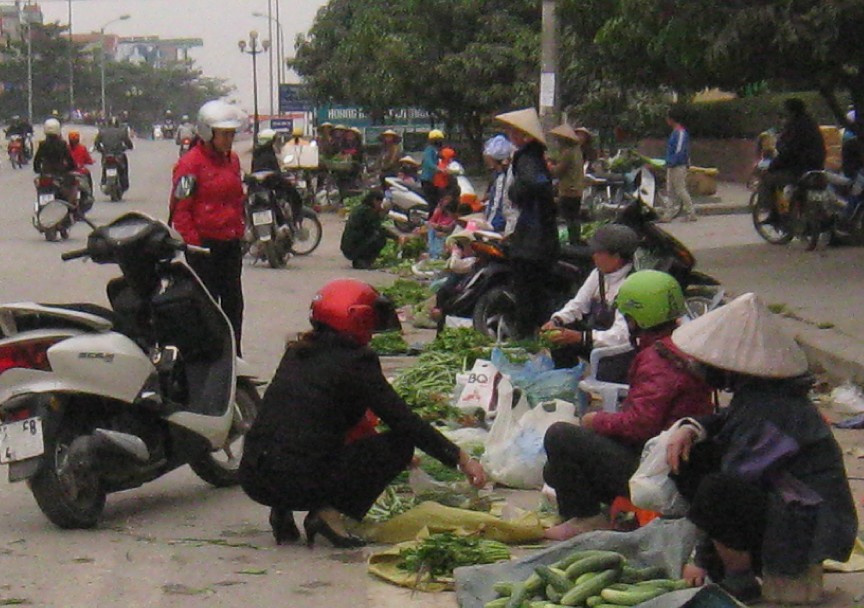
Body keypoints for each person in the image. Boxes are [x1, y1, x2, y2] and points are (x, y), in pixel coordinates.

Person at [239, 279, 487, 547]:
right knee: (400, 444)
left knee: (295, 435)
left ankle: (281, 510)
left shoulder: (298, 352)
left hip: (255, 476)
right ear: (359, 317)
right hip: (298, 481)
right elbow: (404, 421)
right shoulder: (356, 362)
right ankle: (327, 515)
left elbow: (318, 415)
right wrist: (461, 458)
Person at [666, 293, 857, 602]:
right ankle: (727, 561)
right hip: (781, 498)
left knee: (718, 488)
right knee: (695, 456)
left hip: (805, 521)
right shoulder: (756, 393)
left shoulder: (775, 411)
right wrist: (691, 427)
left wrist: (697, 557)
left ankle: (739, 579)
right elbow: (727, 421)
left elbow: (734, 479)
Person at [542, 270, 714, 541]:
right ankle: (596, 513)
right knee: (554, 470)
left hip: (663, 472)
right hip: (677, 460)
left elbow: (640, 426)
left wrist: (596, 420)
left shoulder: (659, 360)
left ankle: (586, 518)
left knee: (560, 435)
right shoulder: (682, 344)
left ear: (637, 318)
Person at [169, 100, 246, 354]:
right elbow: (181, 210)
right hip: (204, 249)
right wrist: (194, 245)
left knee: (234, 304)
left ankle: (234, 354)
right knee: (208, 307)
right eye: (224, 134)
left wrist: (240, 231)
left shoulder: (233, 161)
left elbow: (236, 200)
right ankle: (211, 357)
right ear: (207, 133)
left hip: (230, 245)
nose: (229, 140)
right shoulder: (190, 164)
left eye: (232, 134)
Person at [496, 107, 559, 339]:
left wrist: (516, 191)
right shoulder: (534, 157)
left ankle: (526, 341)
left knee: (528, 296)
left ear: (523, 135)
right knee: (537, 296)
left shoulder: (527, 158)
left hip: (532, 242)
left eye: (513, 131)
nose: (510, 135)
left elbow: (536, 185)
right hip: (540, 238)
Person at [540, 224, 638, 370]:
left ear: (616, 257)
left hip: (619, 351)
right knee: (561, 334)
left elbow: (620, 336)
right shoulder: (599, 273)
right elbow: (578, 304)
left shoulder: (632, 286)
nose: (594, 256)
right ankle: (566, 375)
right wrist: (557, 320)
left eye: (599, 252)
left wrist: (581, 337)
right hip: (596, 335)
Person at [758, 98, 826, 219]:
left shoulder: (794, 127)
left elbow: (788, 153)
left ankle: (773, 213)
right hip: (817, 167)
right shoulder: (811, 123)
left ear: (791, 111)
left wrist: (772, 167)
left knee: (767, 179)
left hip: (798, 170)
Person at [340, 190, 401, 269]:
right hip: (353, 247)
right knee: (380, 238)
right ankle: (362, 261)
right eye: (379, 202)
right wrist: (397, 237)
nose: (380, 205)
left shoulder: (361, 208)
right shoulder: (367, 211)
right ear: (374, 201)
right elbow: (378, 228)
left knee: (374, 236)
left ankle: (362, 259)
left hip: (349, 245)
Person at [548, 123, 588, 244]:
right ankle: (575, 240)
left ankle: (573, 241)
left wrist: (549, 166)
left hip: (568, 190)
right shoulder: (577, 151)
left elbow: (558, 171)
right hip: (577, 189)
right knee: (574, 217)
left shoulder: (568, 152)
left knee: (568, 217)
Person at [33, 117, 77, 207]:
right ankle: (70, 206)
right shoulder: (62, 144)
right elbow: (69, 159)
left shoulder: (43, 144)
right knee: (70, 187)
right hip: (60, 173)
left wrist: (38, 169)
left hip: (46, 172)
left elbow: (37, 160)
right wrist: (71, 167)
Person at [666, 107, 697, 222]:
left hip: (678, 165)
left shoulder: (680, 133)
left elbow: (679, 151)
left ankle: (691, 212)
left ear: (672, 119)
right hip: (672, 165)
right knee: (670, 190)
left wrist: (671, 162)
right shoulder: (675, 133)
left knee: (680, 189)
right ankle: (668, 214)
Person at [481, 134, 512, 233]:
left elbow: (497, 203)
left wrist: (489, 224)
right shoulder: (500, 174)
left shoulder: (501, 177)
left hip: (497, 224)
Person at [94, 115, 134, 192]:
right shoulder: (121, 132)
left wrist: (101, 150)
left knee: (104, 167)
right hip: (118, 154)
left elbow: (96, 143)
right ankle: (123, 183)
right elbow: (128, 142)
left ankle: (104, 180)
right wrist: (129, 147)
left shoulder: (102, 132)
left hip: (106, 154)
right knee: (123, 168)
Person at [67, 130, 94, 204]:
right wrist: (91, 161)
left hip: (68, 172)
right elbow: (88, 160)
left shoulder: (66, 148)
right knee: (87, 174)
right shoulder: (82, 148)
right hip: (80, 172)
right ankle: (89, 194)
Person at [420, 129, 445, 206]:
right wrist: (438, 169)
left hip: (434, 179)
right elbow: (429, 162)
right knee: (432, 201)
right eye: (437, 139)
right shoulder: (429, 149)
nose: (439, 141)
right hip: (428, 179)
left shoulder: (435, 150)